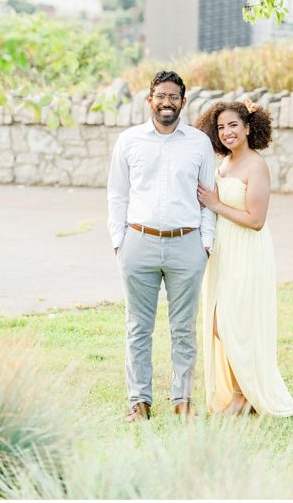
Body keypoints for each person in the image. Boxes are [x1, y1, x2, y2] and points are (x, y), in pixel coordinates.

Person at [108, 70, 216, 421]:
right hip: (138, 242)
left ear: (183, 102)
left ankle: (183, 401)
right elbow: (117, 193)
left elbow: (207, 196)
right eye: (161, 96)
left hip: (186, 245)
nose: (166, 102)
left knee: (183, 327)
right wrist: (119, 242)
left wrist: (206, 242)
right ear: (149, 100)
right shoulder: (129, 141)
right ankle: (139, 403)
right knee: (138, 327)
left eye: (174, 97)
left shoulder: (198, 143)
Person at [194, 100, 293, 417]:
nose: (227, 132)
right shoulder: (224, 164)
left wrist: (216, 204)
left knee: (234, 323)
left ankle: (243, 396)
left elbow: (256, 220)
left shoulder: (256, 166)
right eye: (220, 127)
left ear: (247, 127)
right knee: (219, 323)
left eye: (233, 125)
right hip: (223, 252)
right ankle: (238, 392)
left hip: (246, 248)